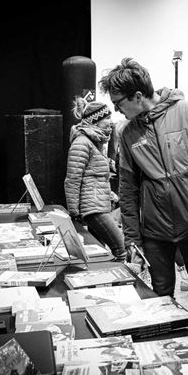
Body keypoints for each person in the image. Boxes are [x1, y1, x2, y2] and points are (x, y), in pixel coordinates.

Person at [98, 58, 188, 348]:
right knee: (161, 295)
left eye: (119, 103)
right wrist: (132, 236)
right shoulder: (127, 134)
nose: (117, 110)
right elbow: (127, 188)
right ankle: (170, 350)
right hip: (156, 234)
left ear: (138, 96)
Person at [64, 98, 127, 261]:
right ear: (95, 121)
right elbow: (72, 179)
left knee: (101, 254)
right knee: (121, 249)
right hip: (92, 209)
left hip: (97, 205)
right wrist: (74, 211)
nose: (110, 122)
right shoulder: (82, 143)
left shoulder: (94, 143)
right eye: (107, 118)